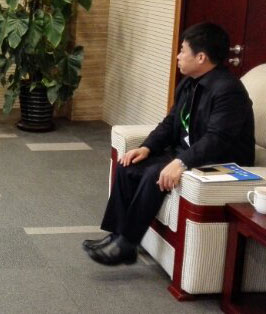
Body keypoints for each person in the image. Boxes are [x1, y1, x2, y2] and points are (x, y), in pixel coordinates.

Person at [84, 22, 255, 265]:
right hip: (188, 152)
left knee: (154, 173)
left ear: (201, 57)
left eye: (183, 51)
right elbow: (170, 122)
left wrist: (181, 162)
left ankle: (126, 243)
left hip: (222, 161)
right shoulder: (189, 83)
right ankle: (118, 236)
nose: (178, 56)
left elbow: (218, 139)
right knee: (128, 165)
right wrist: (147, 147)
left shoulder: (228, 91)